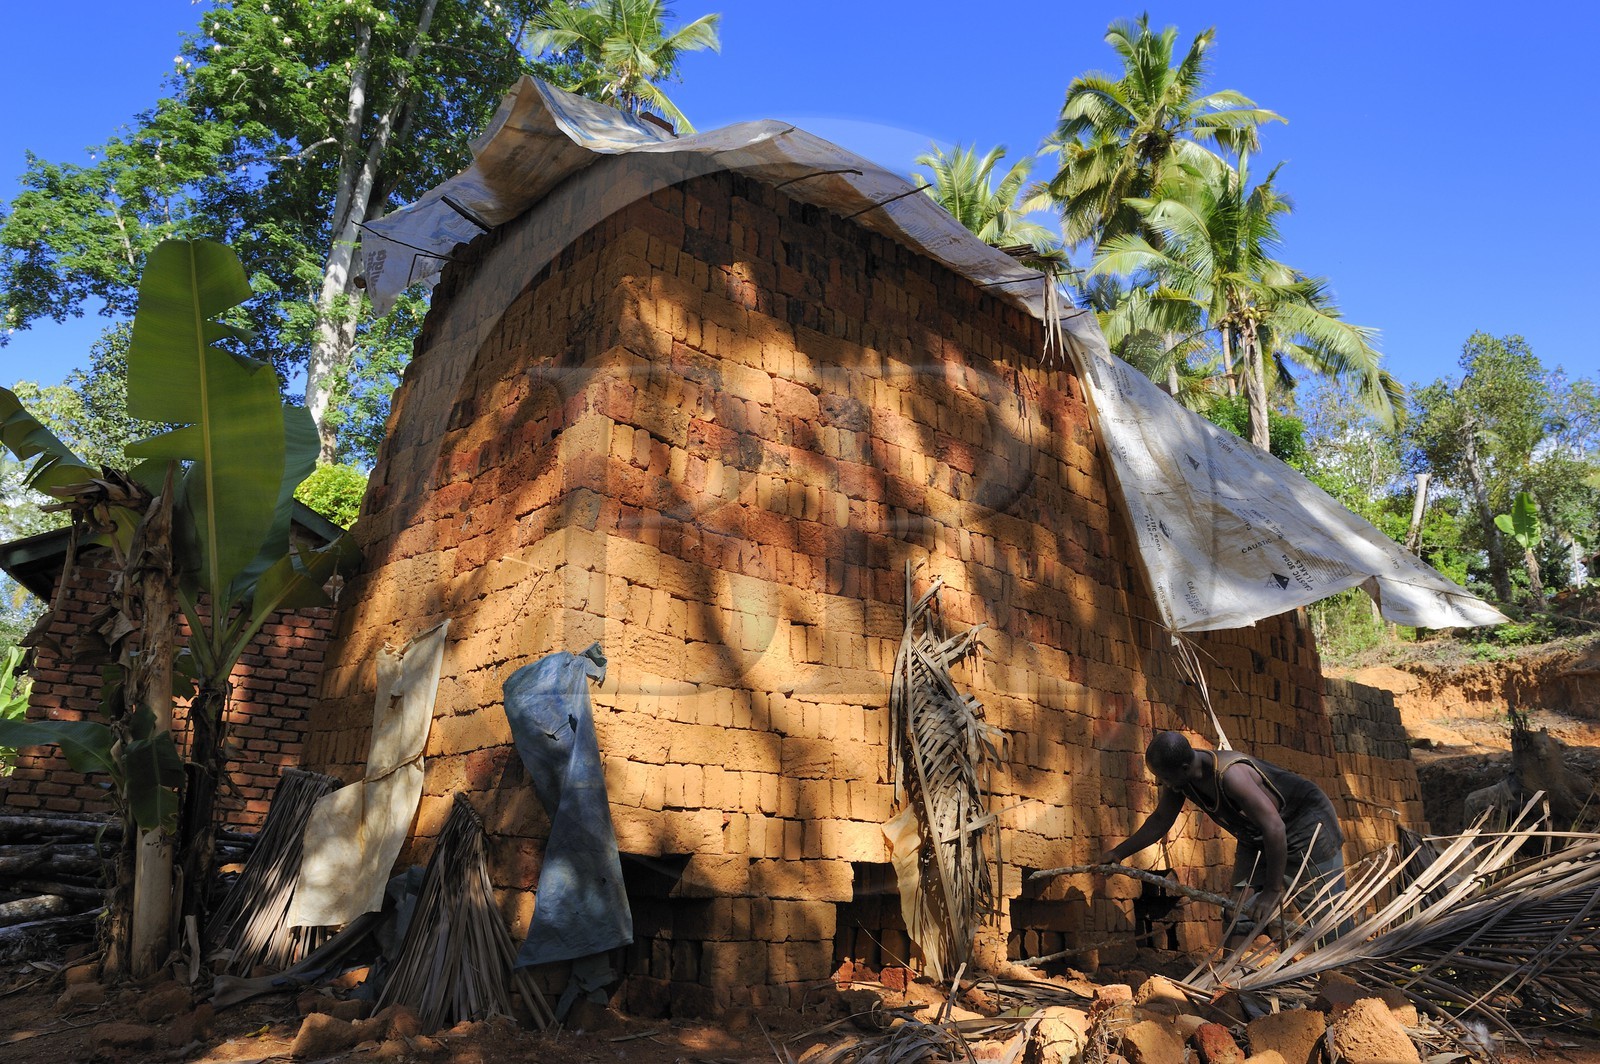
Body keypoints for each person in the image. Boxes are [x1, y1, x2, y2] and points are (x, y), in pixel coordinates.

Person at [1098, 730, 1349, 938]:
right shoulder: (1181, 779)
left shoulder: (1231, 776)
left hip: (1306, 829)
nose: (1163, 783)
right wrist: (1118, 853)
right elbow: (1160, 821)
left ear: (1184, 767)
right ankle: (1231, 978)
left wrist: (1272, 891)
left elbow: (1275, 828)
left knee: (1329, 919)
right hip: (1254, 836)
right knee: (1236, 910)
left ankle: (1351, 973)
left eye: (1164, 777)